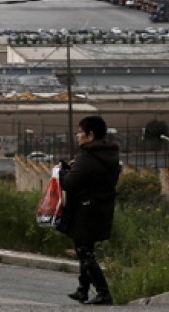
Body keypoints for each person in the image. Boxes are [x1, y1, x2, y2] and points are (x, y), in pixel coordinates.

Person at [57, 116, 121, 306]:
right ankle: (83, 289)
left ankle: (103, 292)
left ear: (90, 135)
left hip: (86, 209)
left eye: (80, 132)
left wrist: (61, 172)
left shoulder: (88, 156)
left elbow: (69, 183)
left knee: (84, 250)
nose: (77, 136)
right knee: (85, 248)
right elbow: (89, 177)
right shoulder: (108, 154)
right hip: (101, 207)